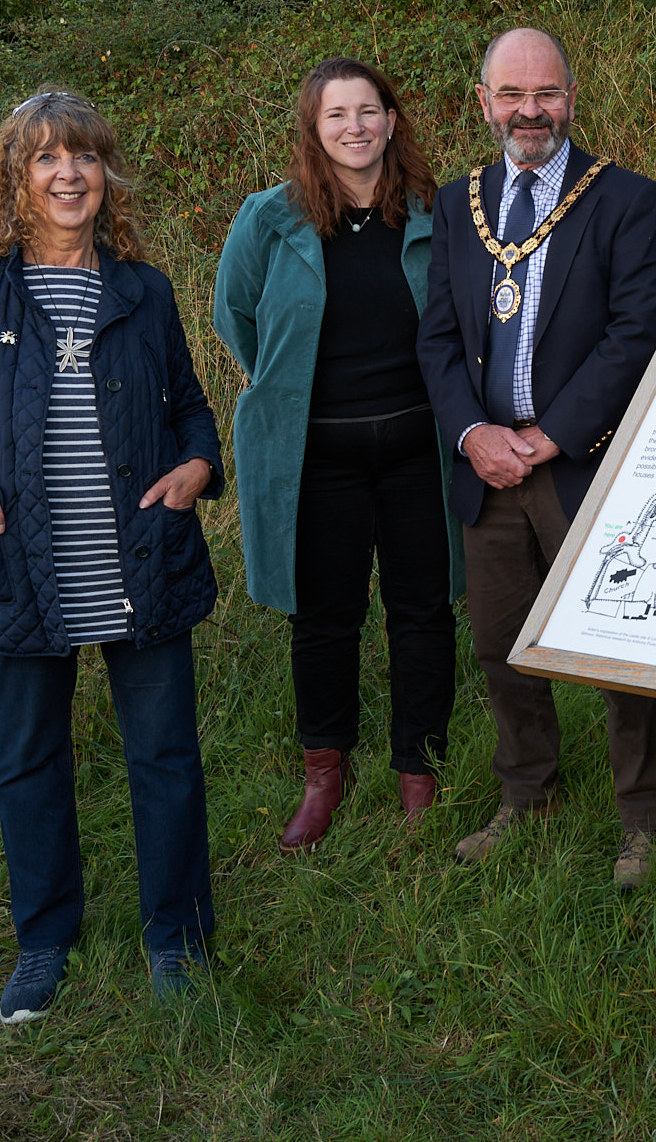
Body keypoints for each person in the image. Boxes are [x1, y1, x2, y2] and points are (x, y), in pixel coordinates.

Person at [0, 91, 223, 1024]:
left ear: (107, 175)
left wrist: (198, 461)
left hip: (137, 562)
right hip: (17, 565)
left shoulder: (144, 290)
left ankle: (176, 939)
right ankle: (43, 940)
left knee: (165, 756)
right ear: (15, 179)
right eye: (45, 159)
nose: (68, 173)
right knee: (29, 758)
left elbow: (191, 405)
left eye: (84, 156)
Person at [417, 26, 656, 891]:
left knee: (614, 645)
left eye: (548, 93)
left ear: (572, 94)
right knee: (501, 642)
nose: (531, 112)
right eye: (513, 95)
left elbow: (636, 330)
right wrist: (473, 434)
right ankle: (527, 793)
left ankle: (645, 816)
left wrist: (551, 434)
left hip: (582, 460)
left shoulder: (626, 200)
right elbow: (440, 338)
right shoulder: (459, 205)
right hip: (487, 469)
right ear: (484, 100)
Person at [214, 57, 463, 851]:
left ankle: (418, 772)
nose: (355, 127)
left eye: (368, 110)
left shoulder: (439, 211)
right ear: (314, 131)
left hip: (420, 447)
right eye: (336, 115)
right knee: (325, 617)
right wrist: (293, 391)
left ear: (393, 120)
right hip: (316, 455)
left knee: (422, 610)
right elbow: (237, 319)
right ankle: (326, 774)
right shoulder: (270, 218)